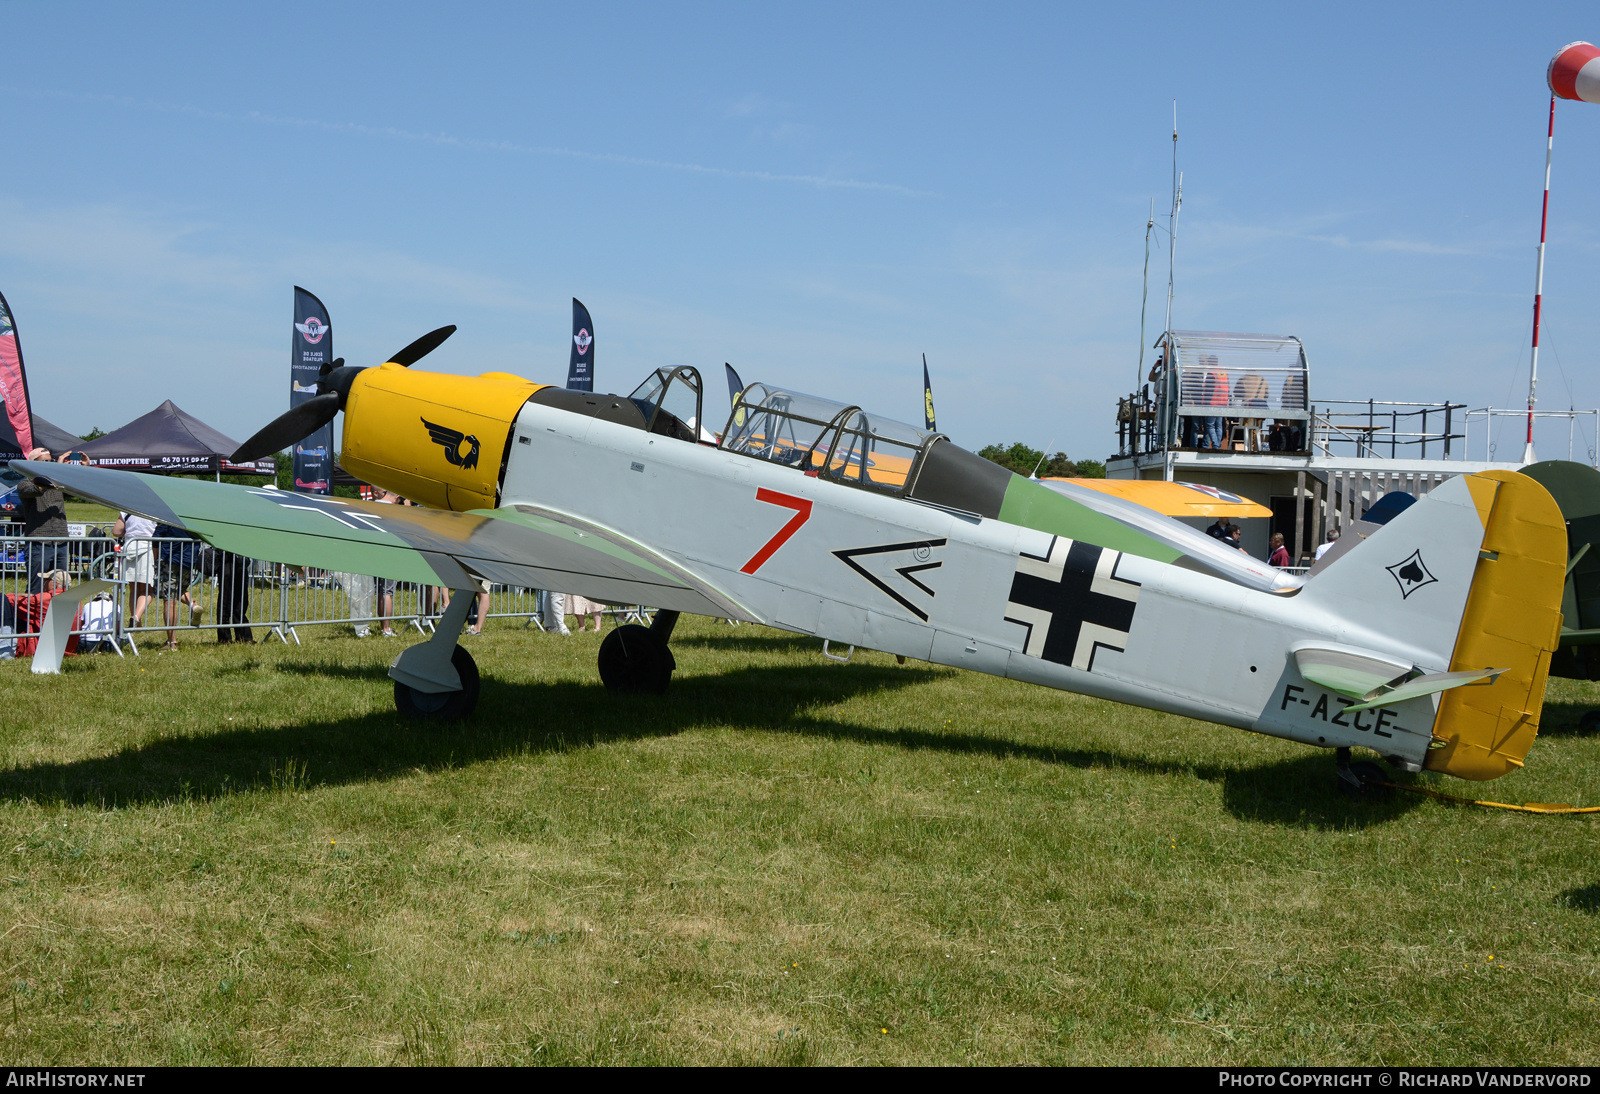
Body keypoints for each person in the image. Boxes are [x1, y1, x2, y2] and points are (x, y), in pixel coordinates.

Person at [17, 448, 68, 593]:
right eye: (45, 461)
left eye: (50, 460)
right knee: (36, 587)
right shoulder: (24, 484)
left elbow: (79, 486)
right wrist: (57, 469)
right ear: (33, 463)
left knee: (60, 586)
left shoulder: (58, 483)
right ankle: (31, 615)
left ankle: (55, 615)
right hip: (38, 544)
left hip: (61, 542)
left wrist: (85, 467)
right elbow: (37, 488)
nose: (49, 463)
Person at [153, 521, 200, 650]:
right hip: (188, 559)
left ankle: (171, 642)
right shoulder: (191, 515)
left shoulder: (169, 515)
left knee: (169, 600)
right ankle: (193, 605)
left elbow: (156, 537)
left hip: (170, 558)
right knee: (180, 590)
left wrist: (156, 560)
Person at [114, 510, 157, 628]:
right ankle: (136, 617)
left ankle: (137, 623)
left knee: (134, 589)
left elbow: (116, 531)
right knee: (147, 590)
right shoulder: (154, 511)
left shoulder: (127, 510)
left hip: (129, 547)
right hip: (147, 548)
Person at [210, 549, 254, 644]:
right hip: (226, 558)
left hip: (240, 558)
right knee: (225, 601)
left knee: (241, 600)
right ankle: (224, 638)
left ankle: (244, 636)